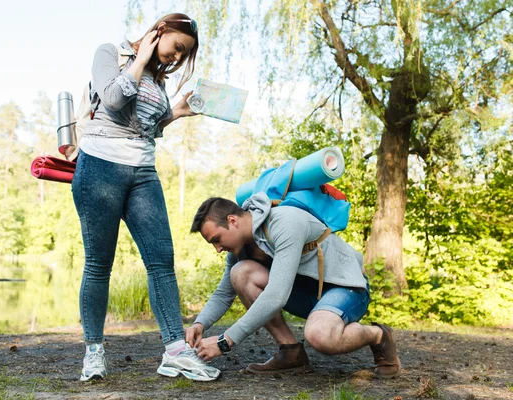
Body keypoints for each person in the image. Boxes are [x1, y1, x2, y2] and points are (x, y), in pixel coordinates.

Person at [71, 13, 220, 382]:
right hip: (100, 167)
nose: (176, 58)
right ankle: (94, 351)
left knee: (161, 259)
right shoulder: (111, 53)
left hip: (142, 172)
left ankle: (174, 350)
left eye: (184, 55)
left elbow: (145, 126)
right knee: (98, 264)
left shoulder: (157, 79)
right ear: (159, 32)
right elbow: (113, 97)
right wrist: (140, 59)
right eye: (176, 48)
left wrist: (177, 112)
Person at [185, 194, 401, 378]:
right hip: (305, 293)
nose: (218, 248)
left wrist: (225, 341)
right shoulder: (241, 247)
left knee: (319, 335)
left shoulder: (284, 221)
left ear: (232, 221)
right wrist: (200, 324)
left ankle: (378, 335)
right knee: (241, 273)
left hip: (345, 287)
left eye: (217, 239)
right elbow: (224, 293)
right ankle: (291, 353)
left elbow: (277, 295)